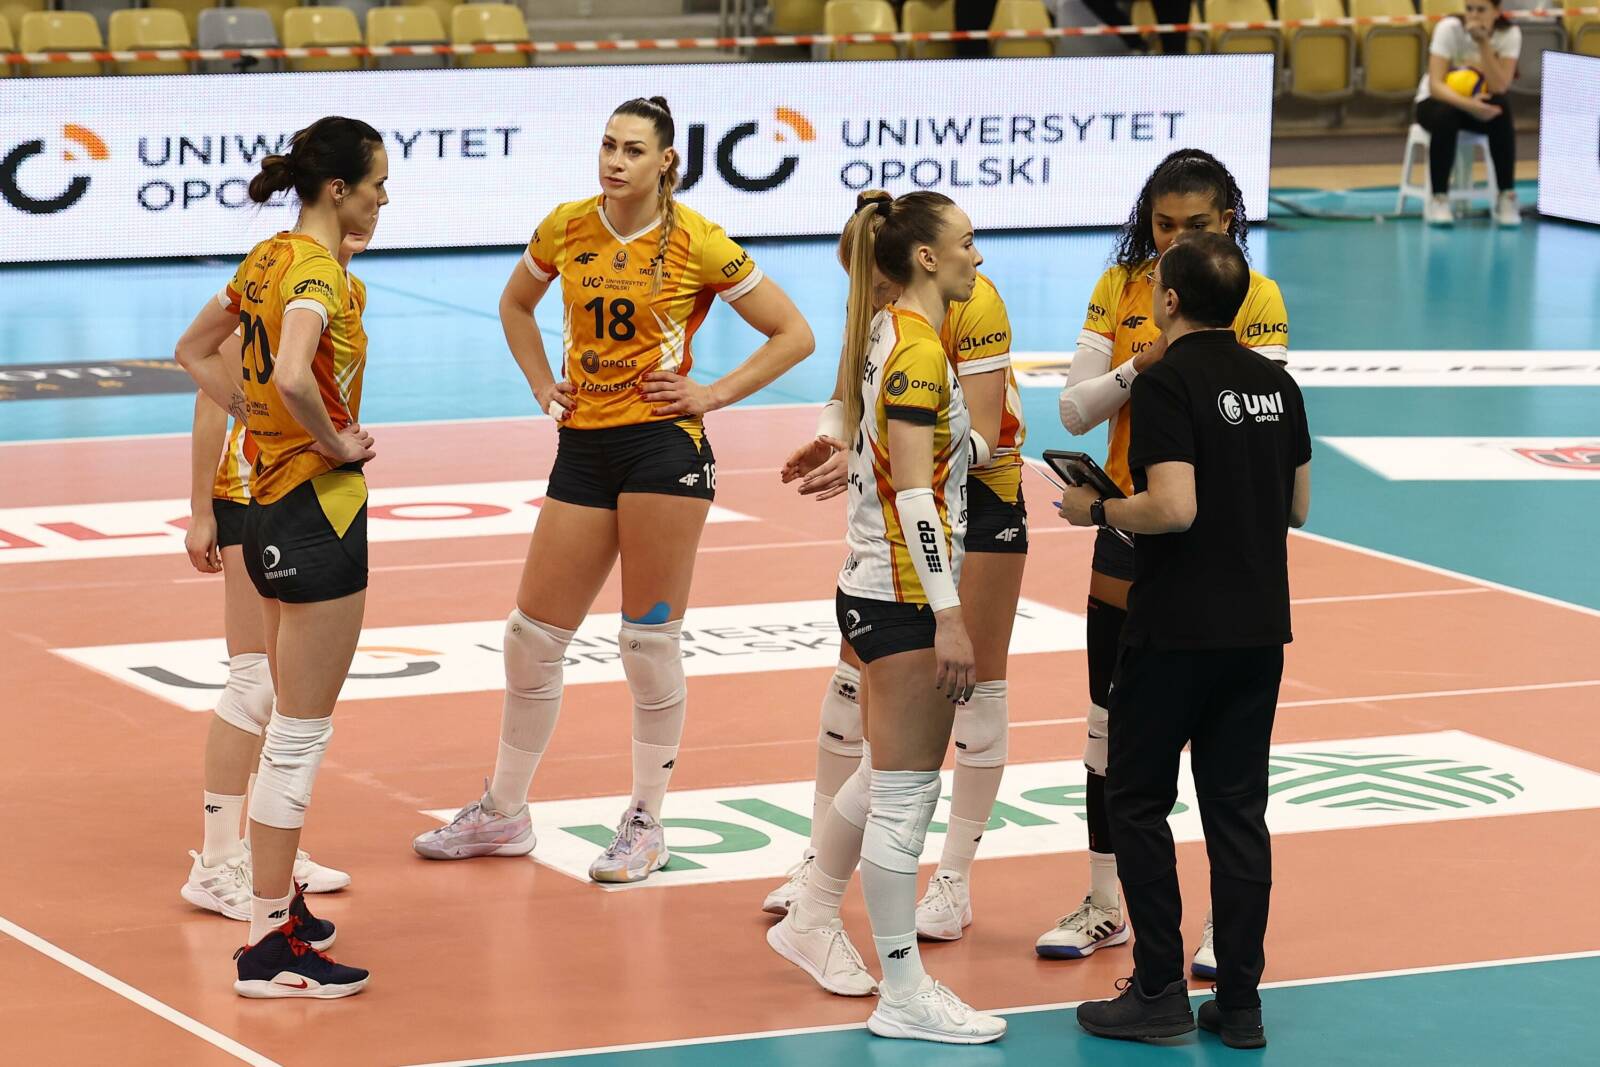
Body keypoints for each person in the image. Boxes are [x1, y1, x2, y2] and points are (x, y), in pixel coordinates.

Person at [412, 96, 814, 883]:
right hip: (583, 446)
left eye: (633, 149)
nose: (615, 161)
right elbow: (515, 303)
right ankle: (504, 810)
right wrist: (542, 383)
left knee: (647, 642)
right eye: (607, 145)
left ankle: (645, 821)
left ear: (666, 161)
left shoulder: (698, 240)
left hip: (663, 450)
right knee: (531, 637)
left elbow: (794, 333)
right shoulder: (566, 226)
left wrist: (713, 393)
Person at [1043, 148, 1288, 977]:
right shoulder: (1123, 289)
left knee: (1223, 764)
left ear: (1229, 221)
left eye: (1196, 224)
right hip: (1128, 532)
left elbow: (1251, 421)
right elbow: (1074, 410)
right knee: (1106, 732)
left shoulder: (1253, 295)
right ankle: (1104, 903)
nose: (1176, 239)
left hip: (1213, 546)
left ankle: (1221, 928)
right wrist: (1141, 364)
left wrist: (1175, 365)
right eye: (1163, 224)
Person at [1065, 233, 1311, 1048]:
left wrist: (1097, 509)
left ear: (1169, 300)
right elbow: (1298, 506)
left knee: (1138, 799)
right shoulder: (1278, 386)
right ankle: (1239, 1003)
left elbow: (1172, 507)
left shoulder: (1166, 382)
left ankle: (1159, 991)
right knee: (1238, 813)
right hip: (1259, 628)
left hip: (1174, 628)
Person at [770, 191, 1005, 1044]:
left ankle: (810, 914)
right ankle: (904, 990)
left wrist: (975, 444)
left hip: (874, 584)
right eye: (968, 242)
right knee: (906, 799)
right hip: (902, 596)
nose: (980, 256)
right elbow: (914, 495)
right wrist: (950, 614)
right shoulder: (917, 350)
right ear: (927, 258)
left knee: (880, 776)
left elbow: (919, 456)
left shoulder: (886, 330)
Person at [174, 115, 387, 998]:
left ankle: (274, 910)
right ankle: (270, 944)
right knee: (298, 733)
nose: (383, 199)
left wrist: (254, 415)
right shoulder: (315, 270)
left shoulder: (265, 257)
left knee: (277, 711)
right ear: (338, 189)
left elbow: (192, 350)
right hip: (316, 510)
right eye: (376, 184)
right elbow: (295, 372)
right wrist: (332, 442)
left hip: (262, 505)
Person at [1415, 0, 1521, 227]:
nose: (1473, 15)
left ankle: (1506, 195)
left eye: (1481, 10)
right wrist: (1469, 106)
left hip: (1477, 103)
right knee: (1446, 115)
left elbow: (1499, 86)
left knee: (1502, 108)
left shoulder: (1509, 34)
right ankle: (1439, 198)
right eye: (1469, 9)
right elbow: (1436, 85)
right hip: (1435, 102)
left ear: (1496, 12)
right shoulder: (1449, 29)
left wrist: (1483, 44)